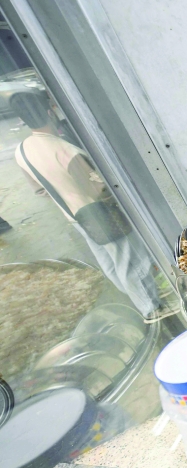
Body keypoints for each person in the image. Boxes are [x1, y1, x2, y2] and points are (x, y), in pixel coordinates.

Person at [11, 90, 160, 316]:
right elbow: (100, 190)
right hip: (100, 215)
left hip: (75, 218)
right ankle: (151, 309)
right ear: (50, 111)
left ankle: (134, 295)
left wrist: (66, 193)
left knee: (110, 261)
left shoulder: (22, 150)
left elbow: (40, 189)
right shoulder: (65, 151)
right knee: (131, 263)